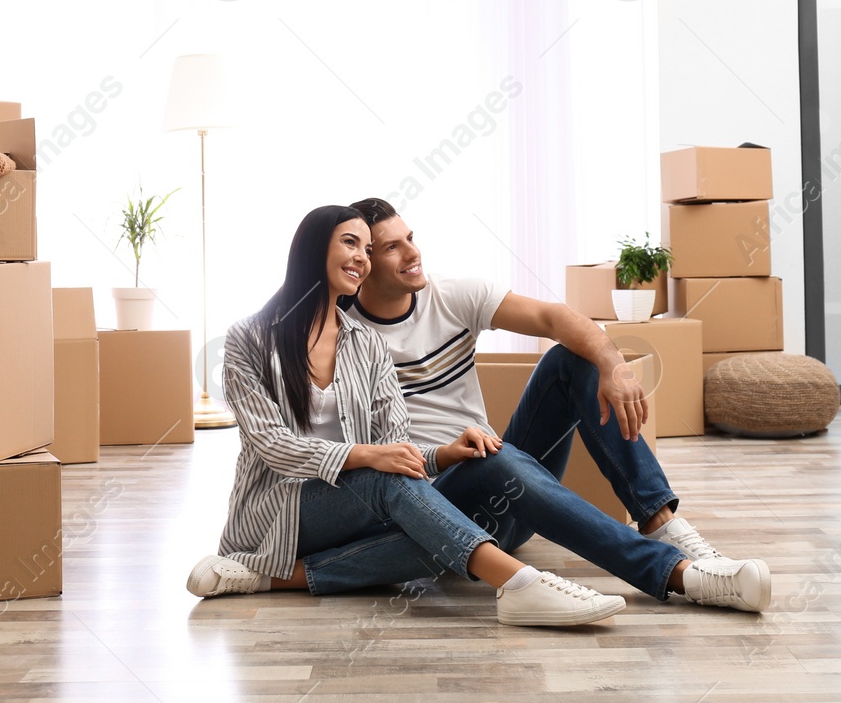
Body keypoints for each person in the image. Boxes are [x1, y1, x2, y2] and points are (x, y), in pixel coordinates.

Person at [187, 204, 626, 627]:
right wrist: (365, 456)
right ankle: (518, 584)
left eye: (366, 249)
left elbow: (396, 447)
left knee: (439, 510)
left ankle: (271, 577)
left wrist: (444, 455)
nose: (361, 257)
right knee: (393, 483)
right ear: (313, 248)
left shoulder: (366, 342)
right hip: (278, 512)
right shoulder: (249, 338)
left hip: (354, 508)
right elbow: (273, 447)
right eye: (350, 243)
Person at [328, 196, 772, 612]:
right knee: (490, 459)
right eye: (392, 248)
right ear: (363, 263)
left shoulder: (451, 296)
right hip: (438, 511)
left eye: (411, 238)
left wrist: (612, 363)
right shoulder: (343, 340)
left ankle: (663, 525)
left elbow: (552, 318)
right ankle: (682, 577)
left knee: (569, 361)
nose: (412, 253)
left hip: (506, 493)